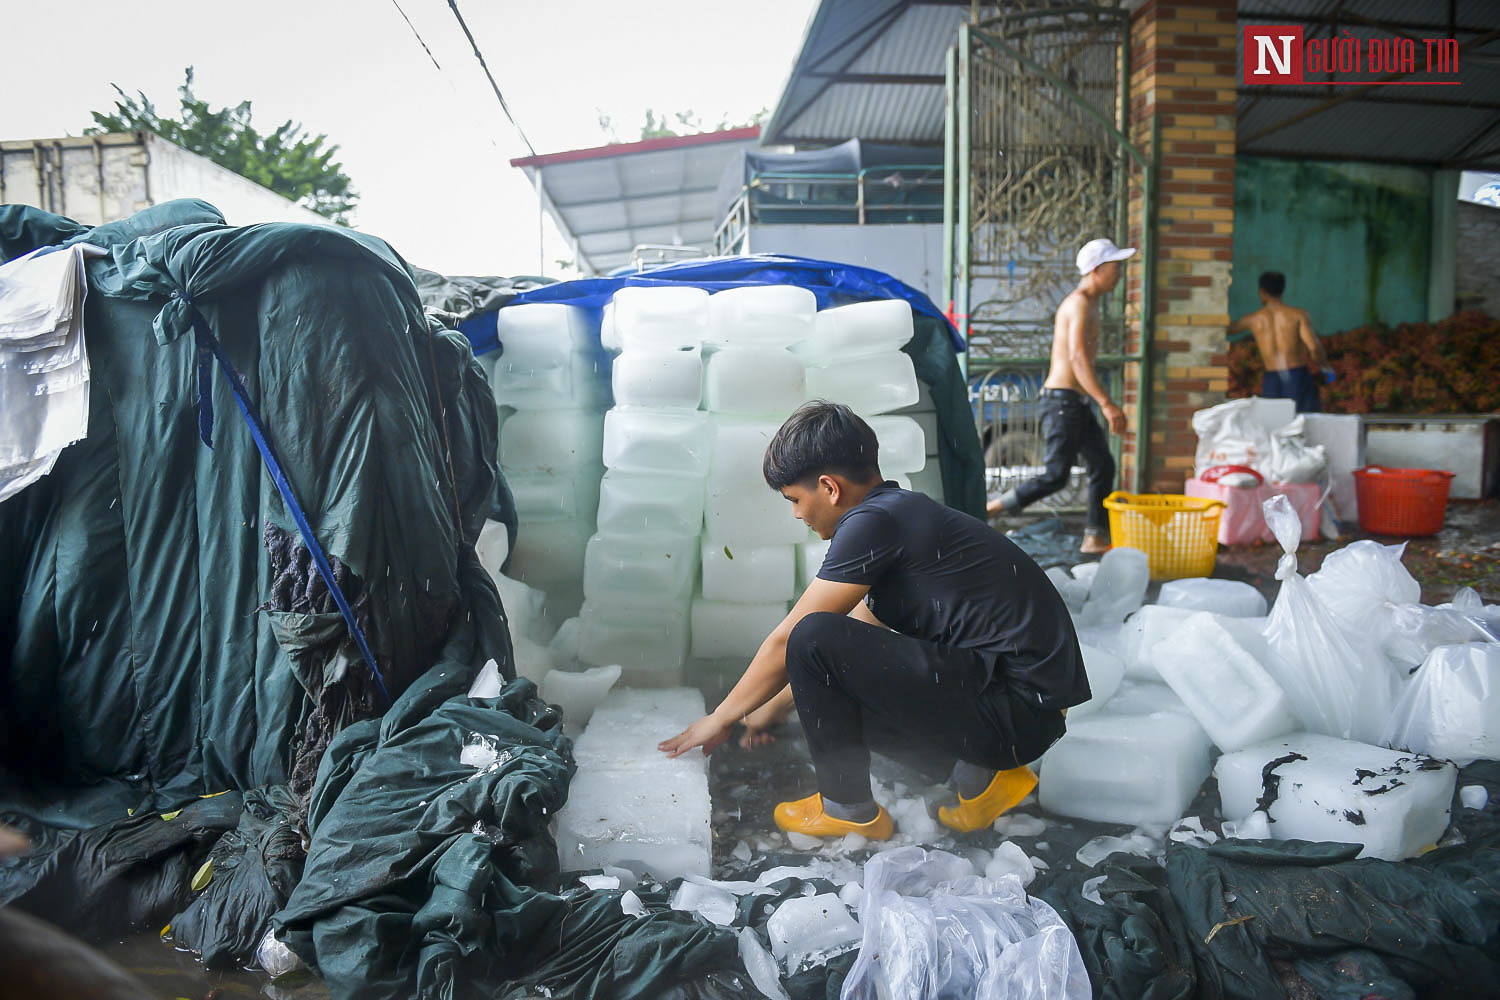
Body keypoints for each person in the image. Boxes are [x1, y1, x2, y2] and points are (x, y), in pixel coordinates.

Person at [658, 401, 1090, 840]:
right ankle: (984, 780)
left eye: (794, 500)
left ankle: (847, 808)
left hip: (1018, 711)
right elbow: (857, 638)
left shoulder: (873, 522)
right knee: (830, 657)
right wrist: (770, 709)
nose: (796, 515)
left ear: (828, 487)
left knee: (810, 634)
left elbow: (793, 640)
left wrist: (720, 717)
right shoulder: (898, 515)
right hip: (1024, 709)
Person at [987, 237, 1132, 555]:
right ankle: (991, 509)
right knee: (1056, 475)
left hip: (1074, 402)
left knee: (1102, 466)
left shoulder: (1091, 302)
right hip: (1061, 401)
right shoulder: (1078, 303)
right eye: (1115, 267)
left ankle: (1094, 537)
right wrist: (1107, 404)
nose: (1120, 273)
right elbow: (1078, 359)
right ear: (1097, 269)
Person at [1229, 271, 1329, 413]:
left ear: (1261, 292)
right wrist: (1325, 366)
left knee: (1273, 425)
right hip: (1296, 376)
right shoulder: (1298, 315)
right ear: (1282, 290)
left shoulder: (1252, 319)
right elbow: (1314, 348)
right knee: (1300, 423)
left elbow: (1224, 330)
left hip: (1272, 378)